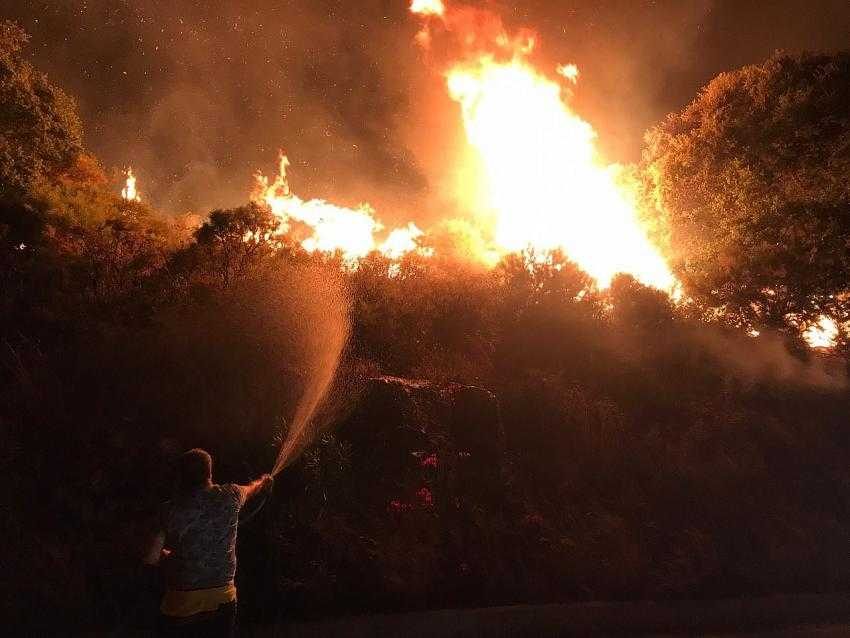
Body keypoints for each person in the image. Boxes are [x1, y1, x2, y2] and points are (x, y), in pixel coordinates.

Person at [144, 448, 274, 637]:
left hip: (182, 601)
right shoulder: (231, 495)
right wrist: (263, 482)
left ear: (180, 477)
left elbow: (150, 558)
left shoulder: (168, 510)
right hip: (222, 598)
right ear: (210, 472)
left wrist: (168, 555)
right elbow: (251, 489)